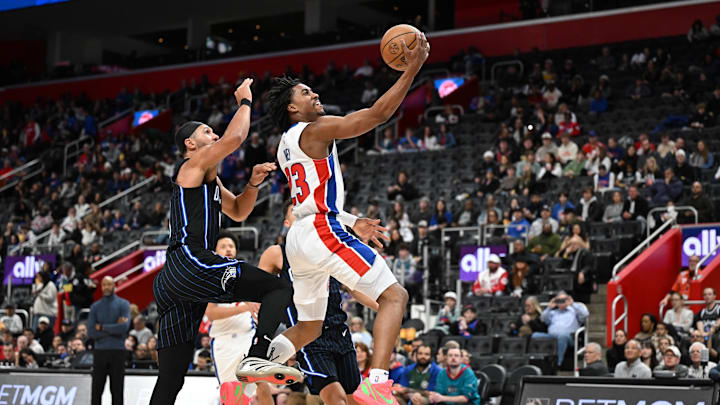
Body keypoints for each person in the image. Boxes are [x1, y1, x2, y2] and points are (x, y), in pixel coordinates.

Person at [267, 32, 429, 405]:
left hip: (299, 240)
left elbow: (309, 197)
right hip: (321, 230)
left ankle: (262, 355)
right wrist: (413, 67)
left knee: (309, 326)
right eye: (306, 93)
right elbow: (377, 115)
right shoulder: (314, 129)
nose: (315, 95)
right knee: (395, 296)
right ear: (293, 109)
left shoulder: (284, 145)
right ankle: (377, 382)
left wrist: (351, 218)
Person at [150, 79, 300, 405]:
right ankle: (258, 355)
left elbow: (239, 211)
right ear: (190, 144)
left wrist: (253, 184)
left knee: (172, 377)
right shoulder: (192, 165)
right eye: (207, 132)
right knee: (278, 289)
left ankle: (255, 355)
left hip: (174, 277)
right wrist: (245, 102)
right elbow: (235, 137)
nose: (214, 136)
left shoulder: (209, 176)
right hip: (190, 259)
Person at [257, 203, 379, 405]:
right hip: (308, 336)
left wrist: (383, 305)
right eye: (297, 215)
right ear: (287, 224)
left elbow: (354, 288)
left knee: (354, 399)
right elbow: (257, 286)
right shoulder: (277, 253)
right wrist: (255, 303)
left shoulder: (331, 252)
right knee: (336, 398)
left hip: (339, 332)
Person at [201, 230, 263, 400]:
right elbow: (211, 313)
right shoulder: (208, 279)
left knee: (257, 389)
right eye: (223, 246)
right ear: (214, 251)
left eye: (231, 246)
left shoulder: (247, 274)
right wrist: (244, 307)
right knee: (232, 395)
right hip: (224, 341)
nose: (228, 249)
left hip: (248, 337)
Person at [87, 276, 130, 405]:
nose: (106, 287)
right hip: (100, 352)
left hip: (118, 351)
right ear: (101, 287)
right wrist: (114, 328)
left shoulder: (123, 304)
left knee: (117, 390)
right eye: (104, 284)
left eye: (109, 284)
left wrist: (102, 327)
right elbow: (91, 332)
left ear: (114, 286)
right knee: (96, 390)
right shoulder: (95, 307)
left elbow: (123, 328)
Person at [532, 292, 589, 366]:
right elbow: (543, 319)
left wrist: (573, 304)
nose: (561, 302)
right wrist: (549, 307)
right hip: (552, 336)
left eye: (563, 300)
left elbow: (585, 315)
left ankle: (559, 363)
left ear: (568, 299)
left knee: (562, 336)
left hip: (570, 337)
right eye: (559, 300)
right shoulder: (553, 312)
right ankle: (536, 361)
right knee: (535, 335)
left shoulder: (574, 311)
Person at [409, 347, 480, 405]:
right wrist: (433, 397)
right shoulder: (442, 373)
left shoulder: (468, 373)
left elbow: (465, 398)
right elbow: (439, 393)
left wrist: (442, 398)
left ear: (461, 359)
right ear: (446, 358)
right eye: (450, 355)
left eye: (456, 355)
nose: (453, 358)